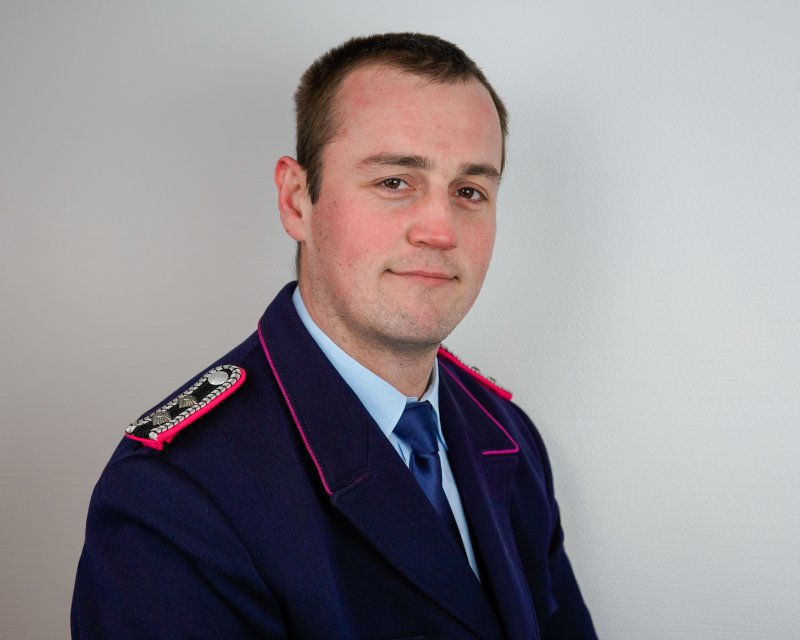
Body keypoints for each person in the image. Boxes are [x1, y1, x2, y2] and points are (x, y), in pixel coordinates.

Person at [71, 33, 597, 639]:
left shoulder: (507, 435)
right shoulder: (173, 496)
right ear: (297, 201)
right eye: (395, 182)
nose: (440, 230)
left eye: (470, 191)